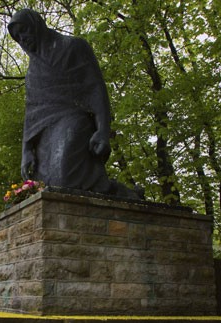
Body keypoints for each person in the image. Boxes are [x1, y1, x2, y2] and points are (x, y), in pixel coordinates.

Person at [8, 9, 141, 197]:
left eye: (24, 30)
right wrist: (26, 150)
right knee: (46, 187)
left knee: (63, 179)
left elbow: (95, 89)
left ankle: (117, 192)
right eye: (17, 36)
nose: (22, 38)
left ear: (36, 25)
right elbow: (32, 114)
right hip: (44, 134)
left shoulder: (73, 47)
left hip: (75, 118)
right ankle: (112, 189)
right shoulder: (32, 73)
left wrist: (103, 130)